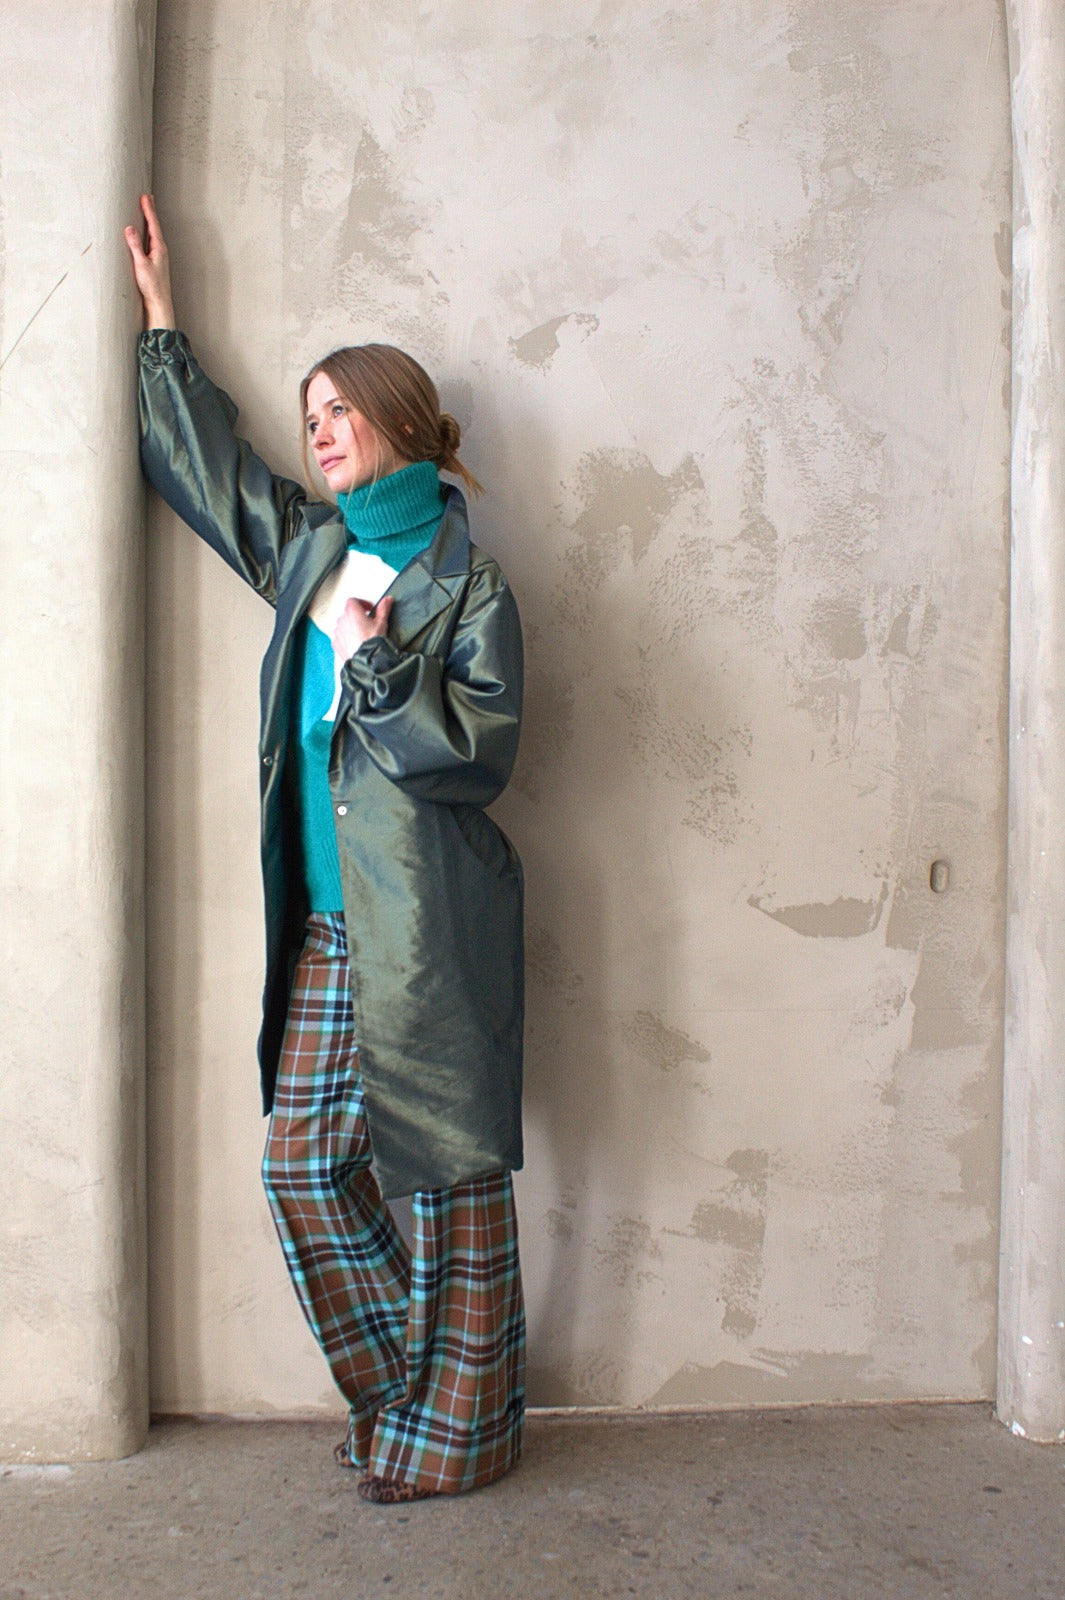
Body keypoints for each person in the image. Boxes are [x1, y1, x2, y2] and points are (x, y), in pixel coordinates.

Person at [124, 194, 526, 1504]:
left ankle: (454, 1440)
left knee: (450, 1179)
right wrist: (163, 325)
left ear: (399, 420)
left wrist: (373, 663)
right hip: (327, 923)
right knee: (302, 1166)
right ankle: (422, 1403)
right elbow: (209, 476)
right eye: (311, 418)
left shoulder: (469, 587)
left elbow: (476, 756)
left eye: (340, 410)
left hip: (432, 921)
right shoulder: (310, 551)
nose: (320, 430)